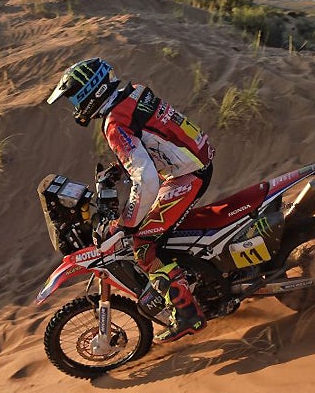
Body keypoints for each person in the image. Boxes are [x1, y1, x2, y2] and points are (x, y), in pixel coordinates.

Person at [46, 57, 214, 343]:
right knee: (156, 233)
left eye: (74, 96)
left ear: (90, 91)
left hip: (186, 176)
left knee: (142, 245)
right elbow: (152, 138)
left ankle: (187, 313)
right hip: (192, 161)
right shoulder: (133, 94)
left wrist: (126, 222)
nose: (74, 105)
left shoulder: (114, 124)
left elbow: (146, 180)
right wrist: (119, 168)